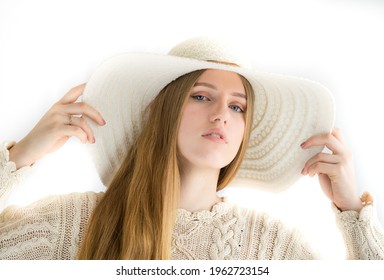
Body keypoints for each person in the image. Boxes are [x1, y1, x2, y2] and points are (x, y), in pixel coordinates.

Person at [0, 37, 383, 260]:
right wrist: (22, 155)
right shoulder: (74, 222)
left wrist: (352, 213)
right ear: (158, 113)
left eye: (237, 107)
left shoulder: (273, 245)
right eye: (201, 96)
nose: (221, 115)